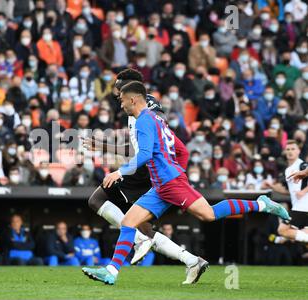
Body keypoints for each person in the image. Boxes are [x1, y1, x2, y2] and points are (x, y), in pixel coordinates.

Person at [82, 81, 290, 285]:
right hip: (161, 185)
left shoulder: (143, 121)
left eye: (122, 101)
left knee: (209, 214)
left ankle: (261, 204)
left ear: (133, 99)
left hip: (170, 183)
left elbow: (144, 154)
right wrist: (175, 169)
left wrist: (119, 172)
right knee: (128, 223)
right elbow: (179, 149)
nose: (121, 105)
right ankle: (111, 272)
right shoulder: (155, 119)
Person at [82, 69, 205, 284]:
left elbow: (150, 148)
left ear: (132, 89)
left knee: (97, 200)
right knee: (142, 224)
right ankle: (191, 260)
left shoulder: (144, 110)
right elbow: (139, 148)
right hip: (152, 168)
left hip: (147, 170)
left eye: (119, 87)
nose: (116, 92)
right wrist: (104, 146)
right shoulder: (142, 108)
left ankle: (138, 242)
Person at [265, 141, 308, 243]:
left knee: (282, 230)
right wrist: (271, 186)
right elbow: (289, 191)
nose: (290, 151)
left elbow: (300, 191)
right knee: (300, 233)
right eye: (288, 149)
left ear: (298, 151)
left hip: (303, 206)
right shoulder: (288, 170)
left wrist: (303, 191)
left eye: (293, 149)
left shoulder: (302, 165)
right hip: (299, 206)